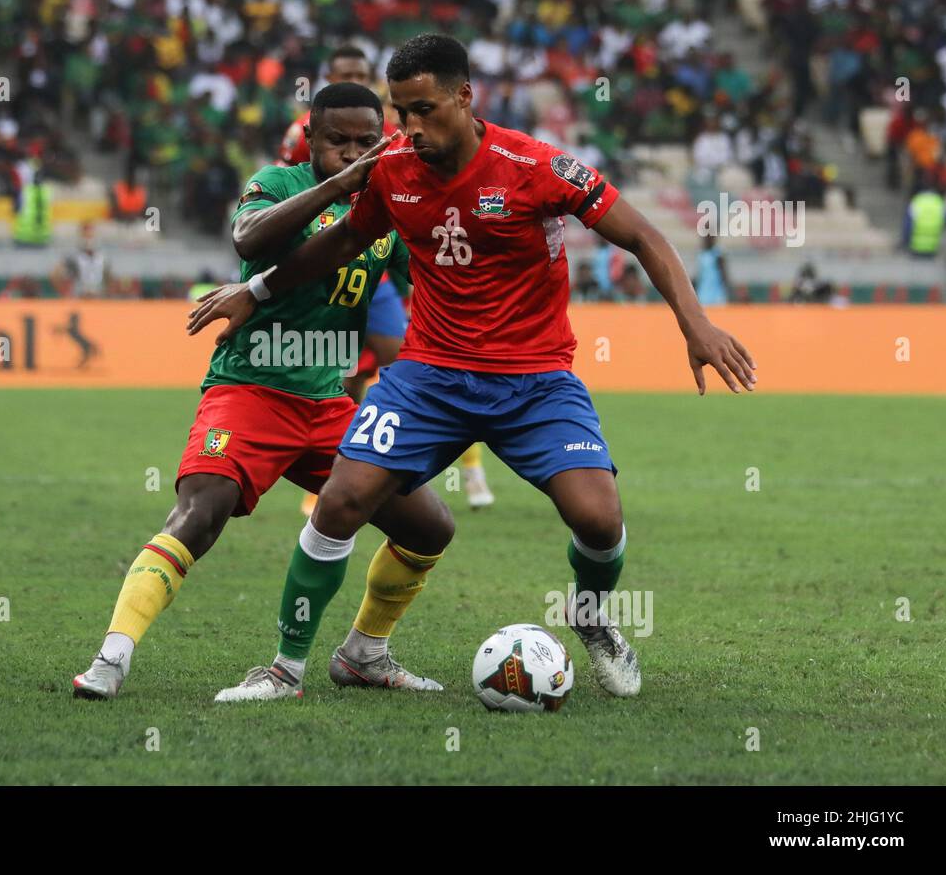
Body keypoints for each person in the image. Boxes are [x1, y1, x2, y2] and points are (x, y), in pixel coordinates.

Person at [190, 34, 758, 702]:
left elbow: (644, 235)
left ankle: (590, 614)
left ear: (465, 96)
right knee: (341, 501)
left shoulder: (535, 165)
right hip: (430, 376)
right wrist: (254, 293)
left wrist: (695, 324)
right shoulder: (395, 166)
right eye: (402, 112)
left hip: (536, 379)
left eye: (425, 110)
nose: (411, 129)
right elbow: (343, 239)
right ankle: (286, 669)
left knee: (599, 521)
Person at [72, 82, 455, 701]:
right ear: (312, 140)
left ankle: (364, 653)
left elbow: (431, 270)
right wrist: (340, 184)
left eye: (366, 141)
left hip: (330, 404)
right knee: (201, 513)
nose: (351, 152)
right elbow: (248, 240)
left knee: (429, 526)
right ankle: (112, 658)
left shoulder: (387, 206)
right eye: (337, 141)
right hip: (249, 390)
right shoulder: (276, 185)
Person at [285, 44, 495, 513]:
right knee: (340, 371)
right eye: (347, 72)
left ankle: (472, 470)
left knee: (405, 361)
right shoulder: (308, 131)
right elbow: (291, 185)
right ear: (329, 74)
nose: (359, 77)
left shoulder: (400, 131)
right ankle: (324, 475)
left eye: (363, 71)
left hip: (381, 263)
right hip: (328, 261)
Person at [694, 232, 729, 305]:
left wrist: (725, 290)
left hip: (716, 292)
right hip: (703, 292)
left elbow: (724, 275)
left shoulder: (718, 254)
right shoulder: (702, 254)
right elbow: (699, 274)